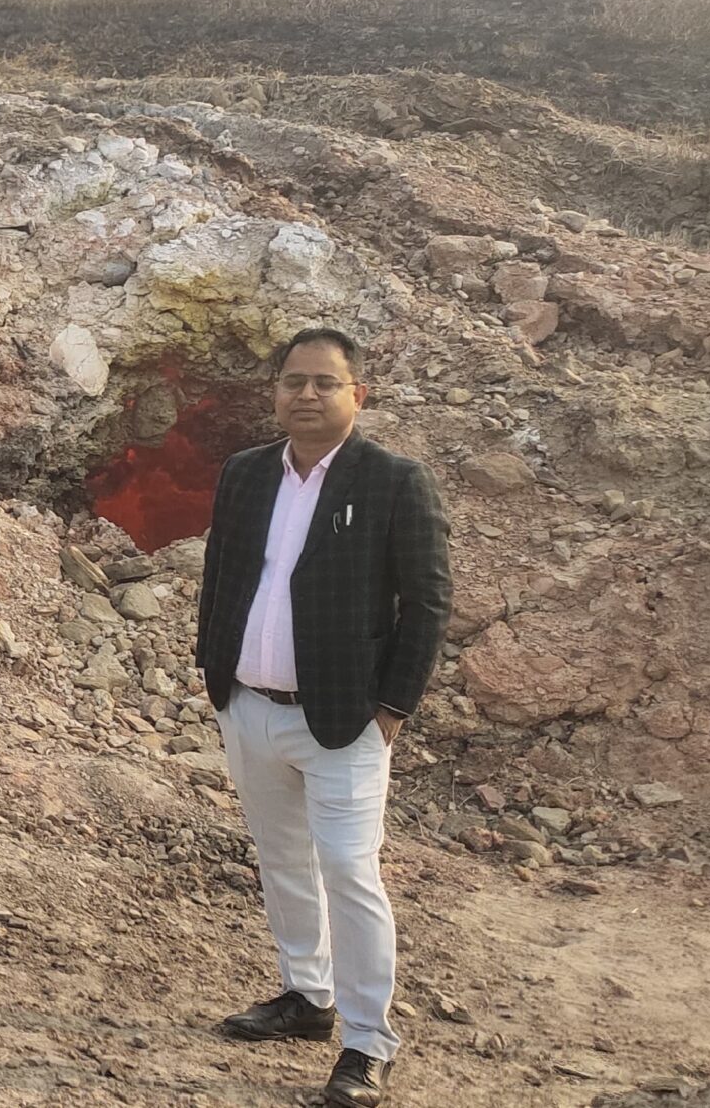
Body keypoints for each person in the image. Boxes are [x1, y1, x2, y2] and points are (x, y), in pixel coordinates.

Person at [195, 327, 451, 1108]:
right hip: (248, 707)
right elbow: (223, 572)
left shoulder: (394, 481)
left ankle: (368, 1043)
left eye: (324, 383)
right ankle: (308, 996)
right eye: (293, 381)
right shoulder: (245, 473)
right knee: (282, 860)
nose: (306, 395)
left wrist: (392, 709)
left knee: (347, 869)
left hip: (344, 721)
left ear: (356, 395)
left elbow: (428, 603)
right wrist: (216, 672)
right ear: (274, 393)